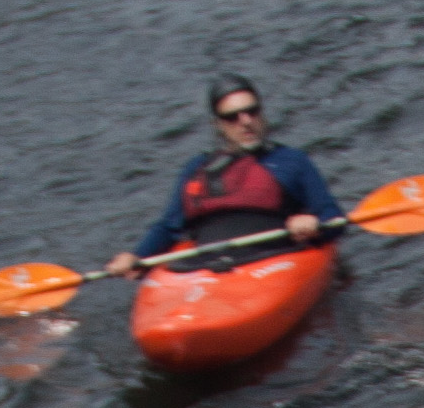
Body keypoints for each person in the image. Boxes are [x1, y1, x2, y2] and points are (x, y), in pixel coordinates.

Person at [117, 78, 342, 273]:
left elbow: (333, 217)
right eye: (232, 117)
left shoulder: (291, 161)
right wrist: (136, 257)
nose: (246, 122)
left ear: (261, 113)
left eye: (252, 111)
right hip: (208, 267)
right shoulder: (197, 168)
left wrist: (315, 223)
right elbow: (169, 227)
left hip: (272, 258)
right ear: (218, 125)